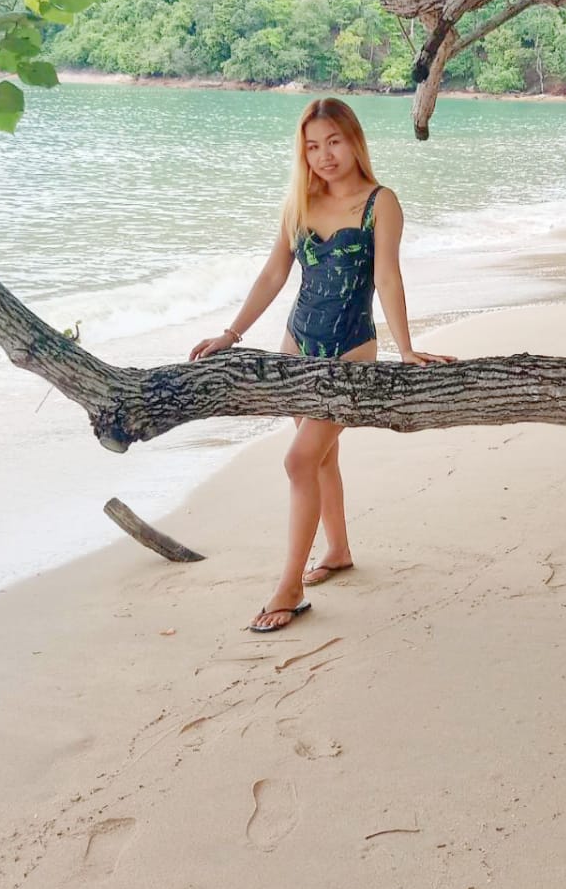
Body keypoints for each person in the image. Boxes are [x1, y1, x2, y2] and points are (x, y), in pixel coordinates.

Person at [189, 96, 455, 632]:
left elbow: (387, 277)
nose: (324, 155)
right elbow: (273, 275)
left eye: (333, 142)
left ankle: (289, 588)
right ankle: (337, 550)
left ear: (354, 141)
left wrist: (406, 348)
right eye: (312, 147)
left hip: (351, 352)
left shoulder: (381, 203)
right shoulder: (300, 203)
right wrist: (231, 334)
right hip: (297, 348)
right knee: (322, 459)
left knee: (298, 461)